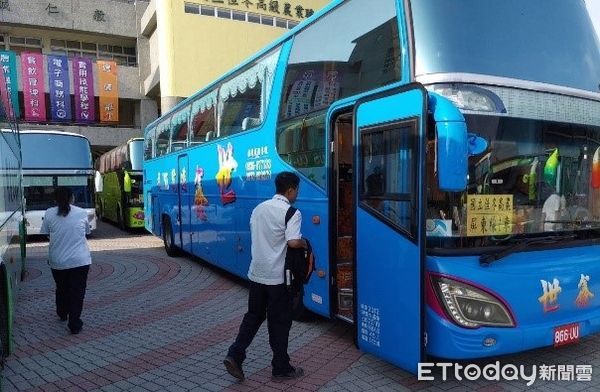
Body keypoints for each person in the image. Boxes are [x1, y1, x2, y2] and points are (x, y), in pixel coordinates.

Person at [224, 171, 307, 381]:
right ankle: (281, 367)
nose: (297, 193)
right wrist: (305, 243)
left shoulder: (258, 209)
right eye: (296, 189)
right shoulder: (291, 213)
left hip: (257, 274)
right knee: (279, 323)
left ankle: (235, 354)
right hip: (278, 278)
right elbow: (293, 242)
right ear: (290, 190)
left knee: (253, 317)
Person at [40, 187, 92, 335]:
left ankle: (62, 312)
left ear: (55, 199)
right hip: (80, 261)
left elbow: (45, 233)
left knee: (61, 288)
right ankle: (74, 323)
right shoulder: (82, 212)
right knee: (77, 292)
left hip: (57, 261)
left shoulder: (49, 213)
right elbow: (87, 232)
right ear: (72, 198)